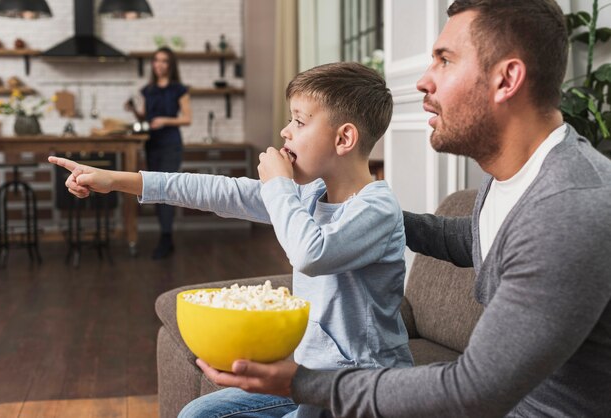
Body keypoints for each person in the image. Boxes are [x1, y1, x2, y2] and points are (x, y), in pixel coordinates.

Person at [193, 0, 611, 416]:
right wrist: (366, 216)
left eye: (444, 61)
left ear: (507, 80)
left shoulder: (568, 206)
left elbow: (472, 391)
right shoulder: (519, 179)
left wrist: (302, 383)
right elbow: (479, 237)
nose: (423, 82)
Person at [50, 62, 414, 417]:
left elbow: (310, 252)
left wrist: (279, 185)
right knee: (199, 413)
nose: (286, 132)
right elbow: (215, 191)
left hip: (363, 391)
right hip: (307, 379)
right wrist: (117, 180)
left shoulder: (376, 208)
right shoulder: (308, 195)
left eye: (299, 121)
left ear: (344, 138)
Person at [125, 46, 192, 259]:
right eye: (156, 61)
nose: (159, 64)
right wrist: (134, 111)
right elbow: (146, 119)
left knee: (166, 190)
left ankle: (166, 237)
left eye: (164, 61)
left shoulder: (179, 89)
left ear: (171, 65)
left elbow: (187, 118)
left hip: (171, 144)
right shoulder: (148, 90)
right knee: (154, 190)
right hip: (152, 145)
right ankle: (165, 237)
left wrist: (165, 120)